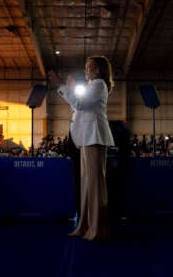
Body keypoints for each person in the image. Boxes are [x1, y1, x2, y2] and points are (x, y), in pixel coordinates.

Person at [48, 55, 115, 241]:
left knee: (94, 185)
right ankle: (85, 226)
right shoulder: (91, 86)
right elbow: (77, 106)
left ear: (99, 70)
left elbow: (79, 104)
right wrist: (68, 88)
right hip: (86, 137)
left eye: (90, 67)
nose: (86, 70)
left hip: (94, 137)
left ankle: (97, 228)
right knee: (87, 185)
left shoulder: (99, 84)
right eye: (85, 67)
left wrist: (62, 86)